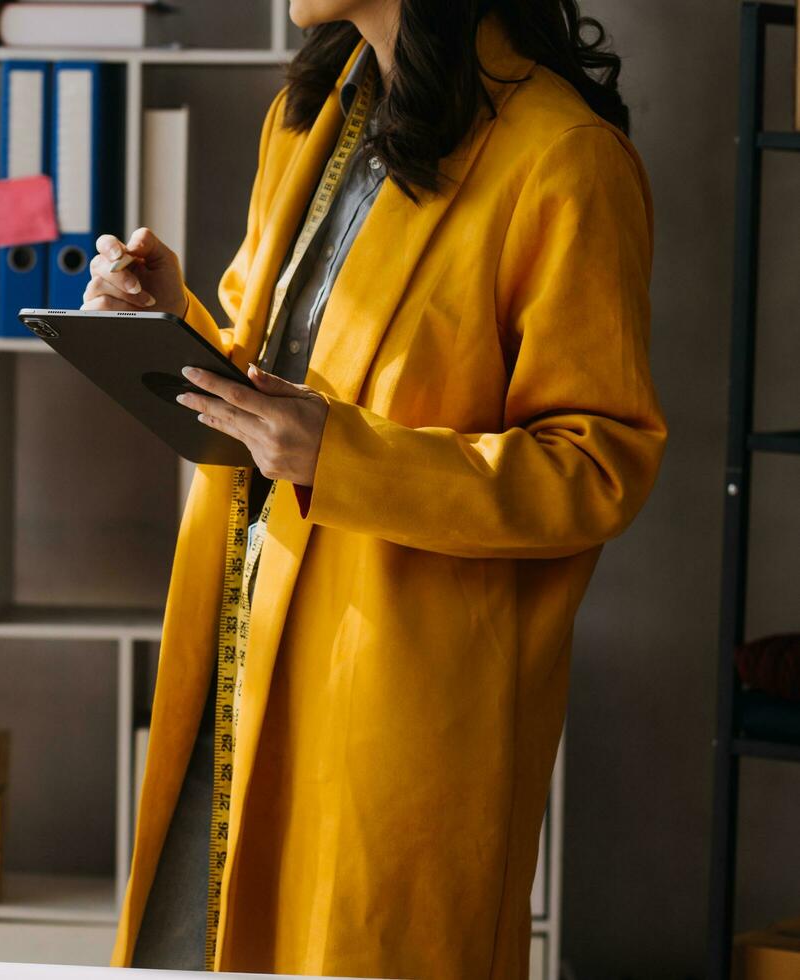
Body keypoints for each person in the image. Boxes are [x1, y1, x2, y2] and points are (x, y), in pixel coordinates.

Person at [84, 0, 665, 976]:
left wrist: (344, 457)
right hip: (244, 661)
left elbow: (598, 465)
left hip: (393, 702)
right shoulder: (313, 114)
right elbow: (273, 384)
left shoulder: (564, 156)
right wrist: (167, 318)